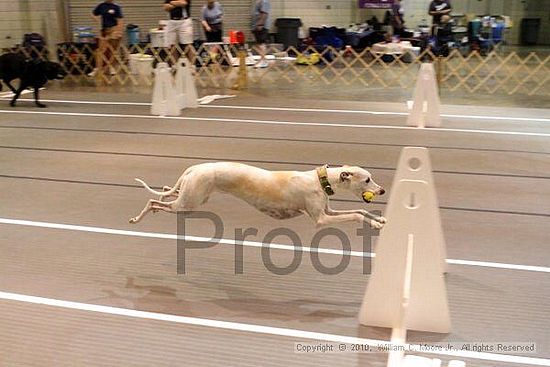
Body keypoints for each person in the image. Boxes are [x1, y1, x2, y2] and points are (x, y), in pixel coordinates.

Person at [89, 0, 124, 77]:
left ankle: (111, 67)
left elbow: (120, 20)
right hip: (104, 30)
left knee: (112, 50)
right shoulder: (101, 6)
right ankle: (97, 68)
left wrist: (118, 31)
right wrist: (97, 20)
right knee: (100, 50)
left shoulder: (116, 7)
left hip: (113, 29)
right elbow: (93, 13)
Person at [251, 0, 271, 68]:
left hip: (261, 26)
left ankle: (263, 61)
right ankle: (262, 59)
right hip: (256, 25)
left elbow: (264, 14)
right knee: (259, 43)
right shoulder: (258, 1)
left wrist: (260, 24)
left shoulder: (264, 1)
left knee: (262, 43)